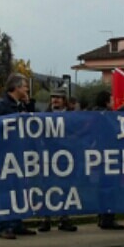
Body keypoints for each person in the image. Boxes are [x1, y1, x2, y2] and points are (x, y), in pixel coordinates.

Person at [0, 74, 38, 240]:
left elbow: (33, 123)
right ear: (16, 87)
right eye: (25, 86)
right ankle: (3, 225)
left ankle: (16, 223)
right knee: (6, 190)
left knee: (19, 189)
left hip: (19, 153)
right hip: (5, 155)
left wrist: (28, 104)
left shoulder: (19, 105)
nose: (27, 89)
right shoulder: (2, 105)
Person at [38, 88, 77, 232]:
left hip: (66, 156)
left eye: (58, 97)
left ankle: (64, 219)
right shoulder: (44, 115)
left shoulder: (72, 116)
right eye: (53, 97)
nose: (55, 100)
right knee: (46, 188)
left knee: (66, 188)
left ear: (64, 100)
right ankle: (45, 219)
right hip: (48, 156)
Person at [89, 90, 124, 230]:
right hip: (108, 154)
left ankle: (102, 216)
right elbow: (115, 128)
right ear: (106, 101)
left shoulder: (94, 114)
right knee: (110, 187)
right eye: (110, 99)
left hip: (99, 153)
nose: (112, 101)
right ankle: (108, 218)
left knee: (102, 187)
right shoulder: (105, 116)